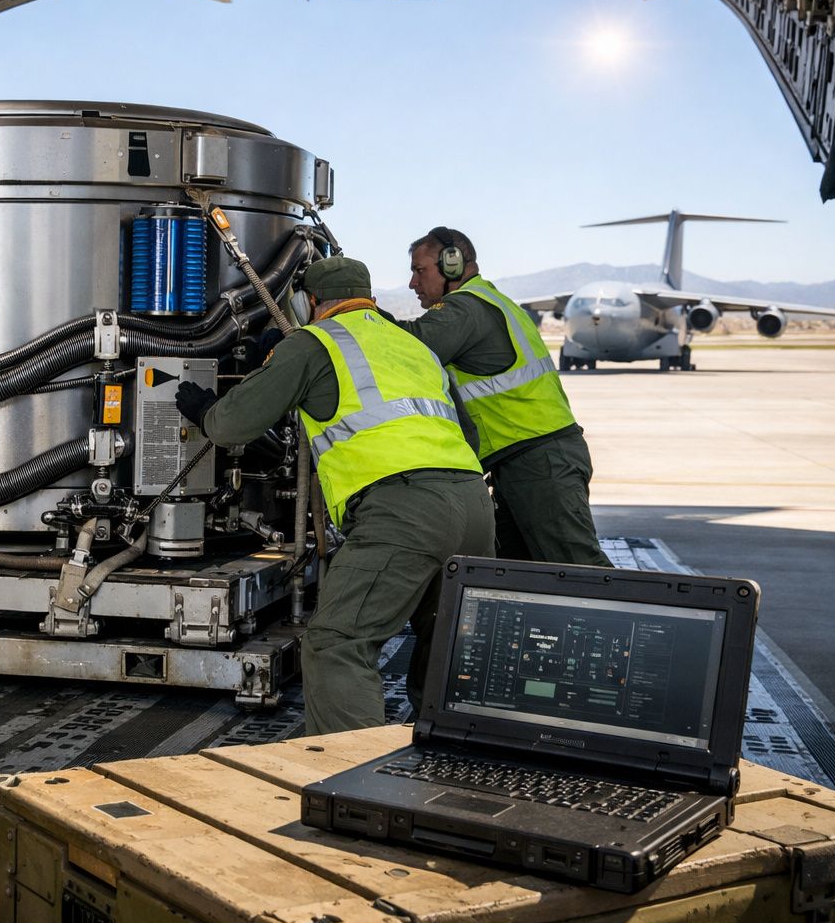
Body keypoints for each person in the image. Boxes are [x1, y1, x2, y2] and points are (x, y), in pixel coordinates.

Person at [175, 256, 494, 734]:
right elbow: (468, 435)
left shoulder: (313, 342)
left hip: (404, 510)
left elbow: (231, 425)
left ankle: (355, 772)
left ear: (309, 303)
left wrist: (203, 408)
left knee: (336, 645)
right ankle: (455, 753)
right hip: (473, 504)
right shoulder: (414, 345)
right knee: (448, 642)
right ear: (368, 298)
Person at [400, 226, 611, 567]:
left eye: (419, 270)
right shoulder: (489, 300)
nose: (413, 283)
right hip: (527, 459)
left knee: (578, 569)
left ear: (452, 264)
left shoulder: (465, 308)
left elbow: (409, 346)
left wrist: (358, 314)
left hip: (539, 461)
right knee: (511, 571)